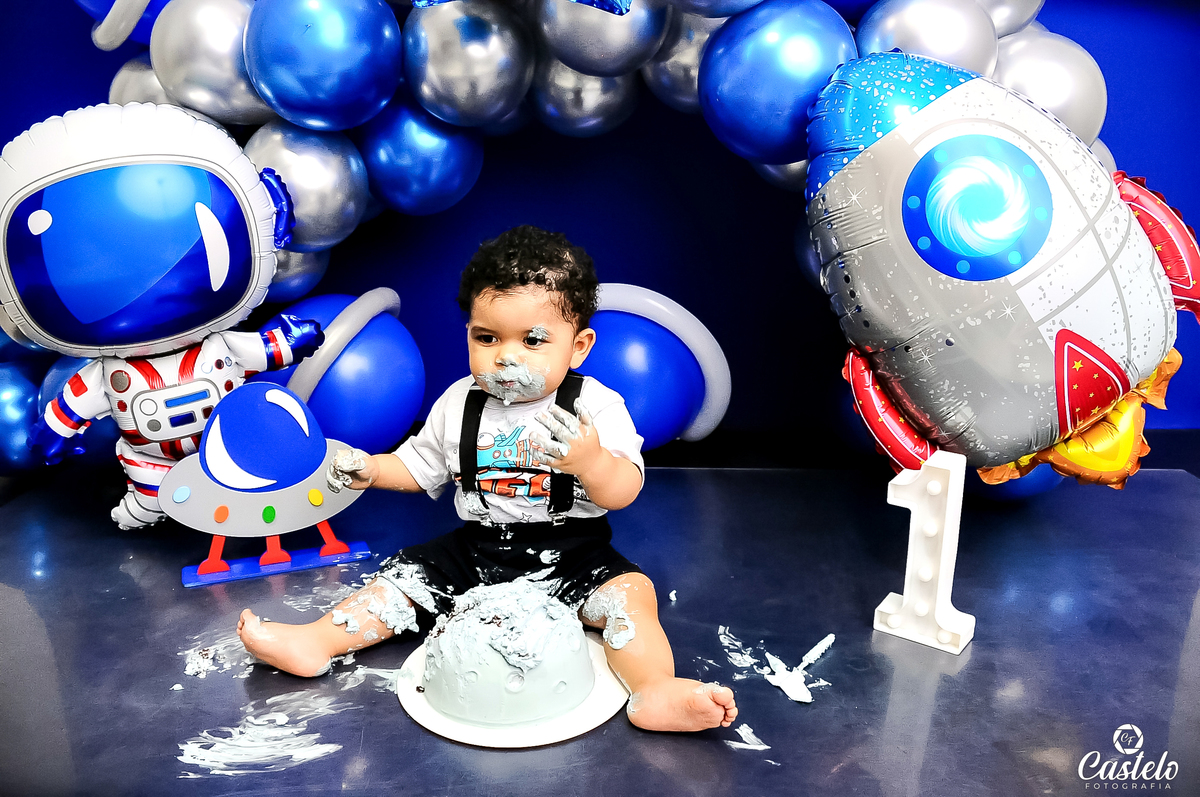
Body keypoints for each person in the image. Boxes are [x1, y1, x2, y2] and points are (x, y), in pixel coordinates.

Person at [237, 226, 736, 732]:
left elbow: (624, 490)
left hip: (574, 552)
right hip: (476, 551)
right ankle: (316, 641)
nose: (507, 356)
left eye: (533, 340)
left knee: (632, 595)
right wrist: (372, 470)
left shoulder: (595, 407)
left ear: (578, 346)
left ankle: (654, 689)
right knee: (401, 579)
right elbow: (418, 468)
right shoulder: (458, 403)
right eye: (487, 337)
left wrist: (593, 463)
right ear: (469, 334)